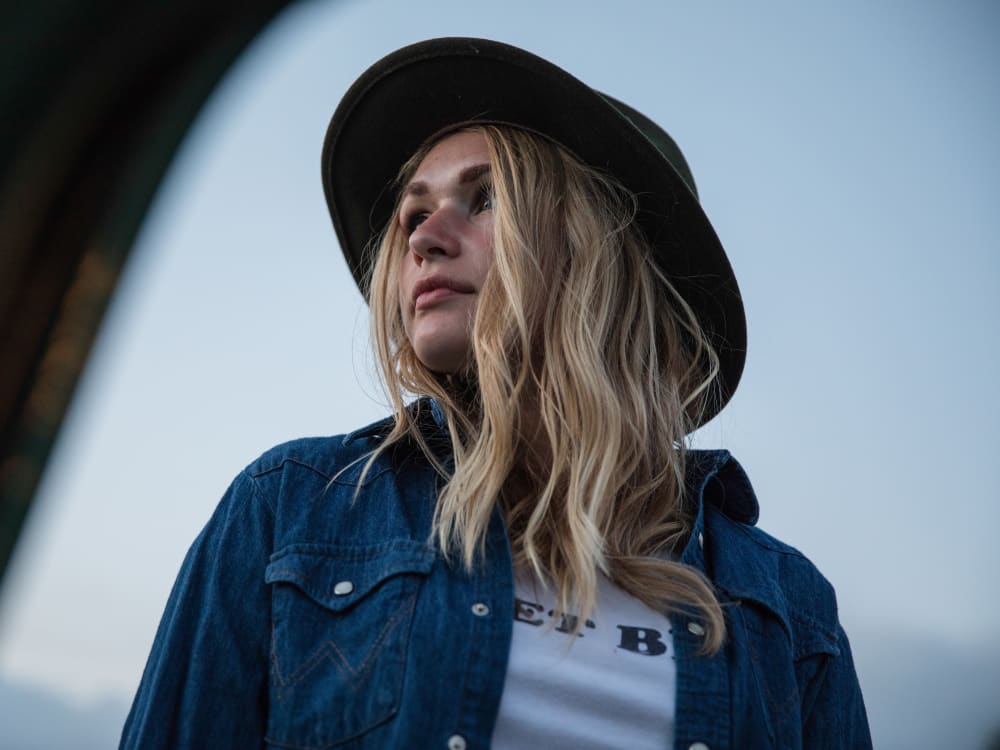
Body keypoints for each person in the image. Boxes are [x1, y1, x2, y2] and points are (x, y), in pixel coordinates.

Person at [121, 37, 871, 749]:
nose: (423, 237)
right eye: (414, 213)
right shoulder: (289, 513)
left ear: (602, 257)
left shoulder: (792, 614)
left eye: (485, 199)